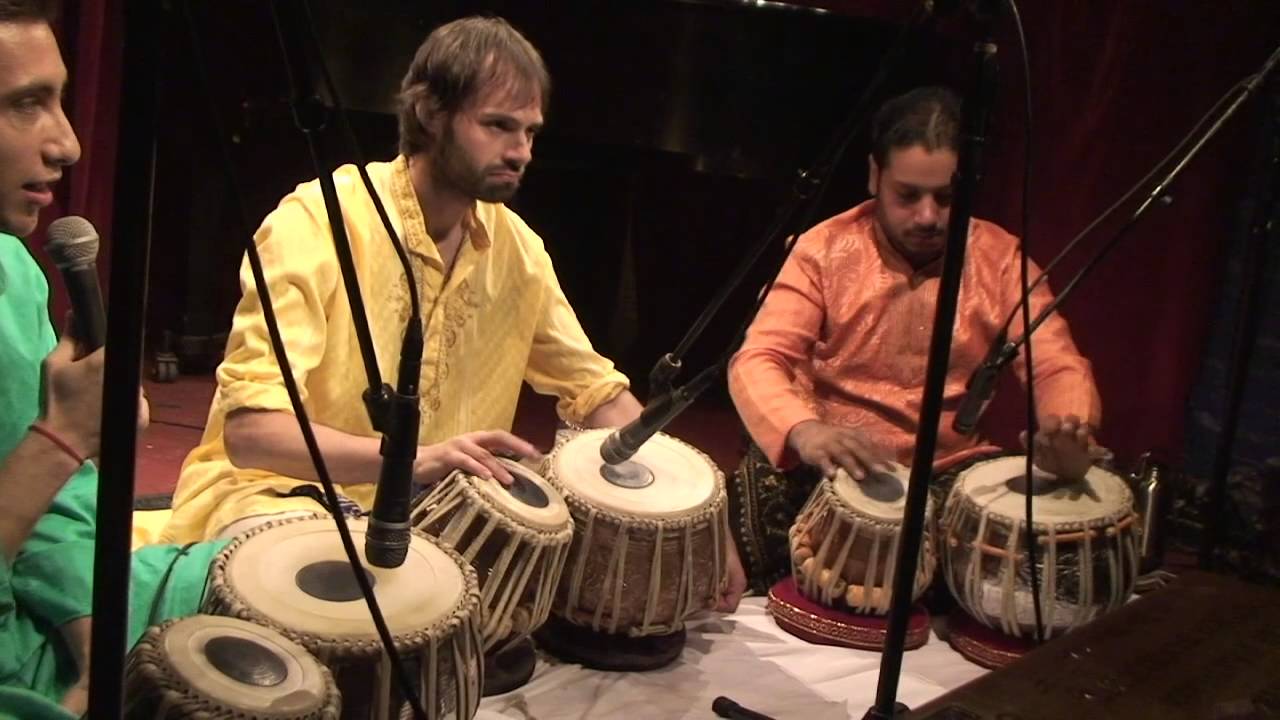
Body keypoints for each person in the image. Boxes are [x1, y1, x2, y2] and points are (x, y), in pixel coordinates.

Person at [159, 15, 747, 610]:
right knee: (328, 598)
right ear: (430, 113)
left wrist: (699, 512)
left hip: (433, 515)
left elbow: (597, 394)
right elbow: (252, 434)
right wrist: (412, 461)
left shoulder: (517, 249)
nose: (520, 152)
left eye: (530, 132)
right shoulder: (318, 223)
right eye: (497, 126)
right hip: (280, 498)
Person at [727, 86, 1102, 591]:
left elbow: (1056, 364)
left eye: (946, 197)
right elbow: (758, 359)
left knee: (1054, 546)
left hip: (943, 471)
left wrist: (1068, 431)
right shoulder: (822, 250)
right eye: (908, 195)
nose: (928, 216)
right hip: (828, 461)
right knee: (762, 488)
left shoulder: (999, 260)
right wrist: (806, 431)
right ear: (874, 176)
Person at [0, 2, 228, 717]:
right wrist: (63, 435)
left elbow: (59, 506)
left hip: (36, 621)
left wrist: (96, 641)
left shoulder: (12, 269)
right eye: (24, 105)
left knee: (273, 577)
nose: (67, 143)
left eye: (61, 99)